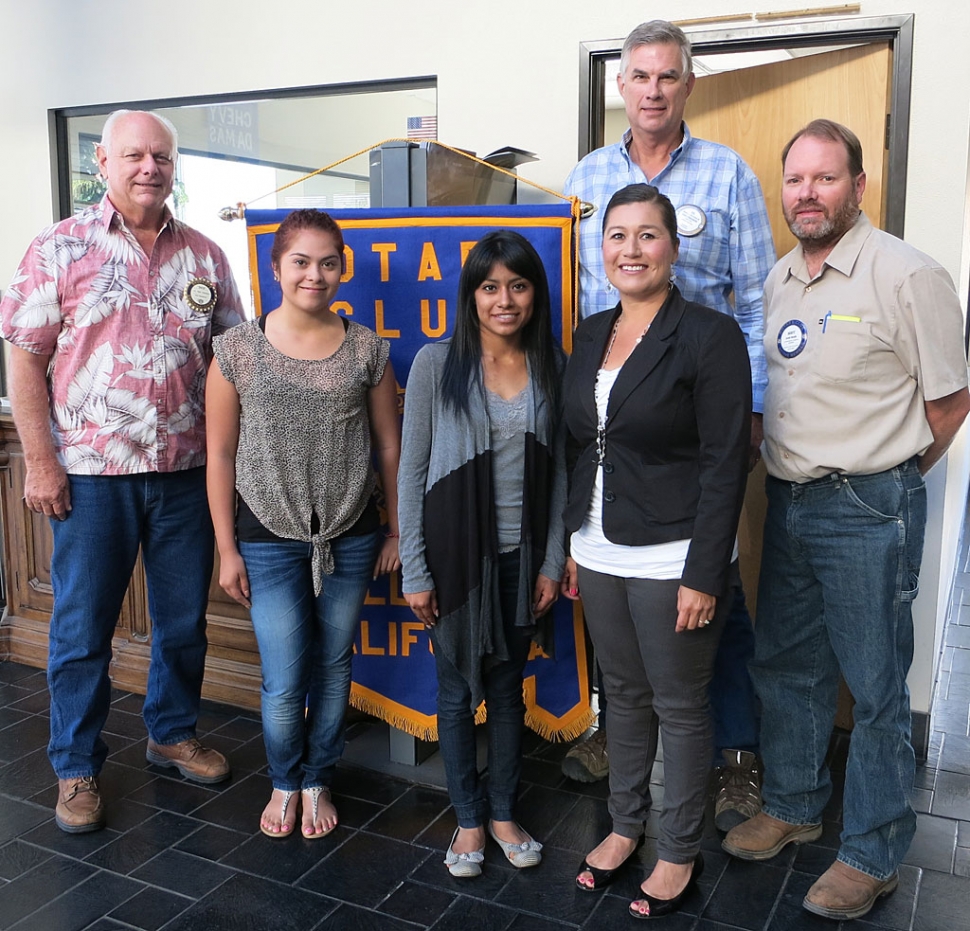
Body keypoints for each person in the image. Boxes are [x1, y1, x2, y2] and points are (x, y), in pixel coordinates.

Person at [722, 120, 970, 921]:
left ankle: (872, 851)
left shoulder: (907, 273)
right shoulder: (783, 278)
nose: (808, 194)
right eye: (796, 180)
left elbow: (950, 401)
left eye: (826, 179)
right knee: (787, 665)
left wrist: (889, 477)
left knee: (874, 687)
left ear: (857, 186)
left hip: (867, 504)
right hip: (789, 501)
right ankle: (793, 806)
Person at [0, 110, 242, 833]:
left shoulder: (205, 254)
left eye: (161, 156)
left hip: (186, 475)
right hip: (92, 477)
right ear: (102, 161)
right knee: (81, 628)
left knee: (180, 625)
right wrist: (40, 459)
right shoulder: (60, 247)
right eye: (134, 155)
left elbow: (232, 358)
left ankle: (171, 733)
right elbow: (24, 356)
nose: (149, 167)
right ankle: (76, 767)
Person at [562, 21, 773, 823]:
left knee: (710, 586)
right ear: (622, 85)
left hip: (698, 407)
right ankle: (622, 733)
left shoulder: (726, 173)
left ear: (689, 84)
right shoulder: (586, 176)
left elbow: (753, 298)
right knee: (619, 587)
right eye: (639, 76)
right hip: (617, 413)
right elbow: (585, 298)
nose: (652, 90)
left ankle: (736, 755)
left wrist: (749, 408)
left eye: (667, 77)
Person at [562, 183, 750, 918]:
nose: (630, 249)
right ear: (600, 248)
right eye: (617, 235)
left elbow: (727, 460)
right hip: (599, 545)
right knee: (623, 696)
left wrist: (706, 570)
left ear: (673, 248)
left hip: (675, 556)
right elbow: (584, 444)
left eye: (647, 235)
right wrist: (573, 542)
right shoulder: (589, 333)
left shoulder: (708, 334)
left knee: (679, 703)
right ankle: (623, 826)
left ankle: (676, 850)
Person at [206, 209, 401, 839]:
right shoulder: (237, 349)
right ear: (276, 268)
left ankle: (318, 777)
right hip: (265, 535)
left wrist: (396, 528)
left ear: (342, 268)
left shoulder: (367, 347)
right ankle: (284, 780)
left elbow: (389, 446)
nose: (314, 275)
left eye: (327, 262)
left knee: (335, 663)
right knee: (285, 675)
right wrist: (225, 548)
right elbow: (220, 454)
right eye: (300, 261)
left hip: (349, 531)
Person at [398, 230, 566, 877]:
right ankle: (467, 819)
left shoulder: (551, 362)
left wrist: (552, 559)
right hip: (453, 562)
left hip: (520, 559)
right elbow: (411, 475)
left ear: (534, 293)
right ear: (470, 294)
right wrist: (415, 566)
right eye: (490, 286)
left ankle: (502, 812)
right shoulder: (436, 364)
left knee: (506, 689)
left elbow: (562, 477)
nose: (504, 299)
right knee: (454, 692)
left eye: (518, 285)